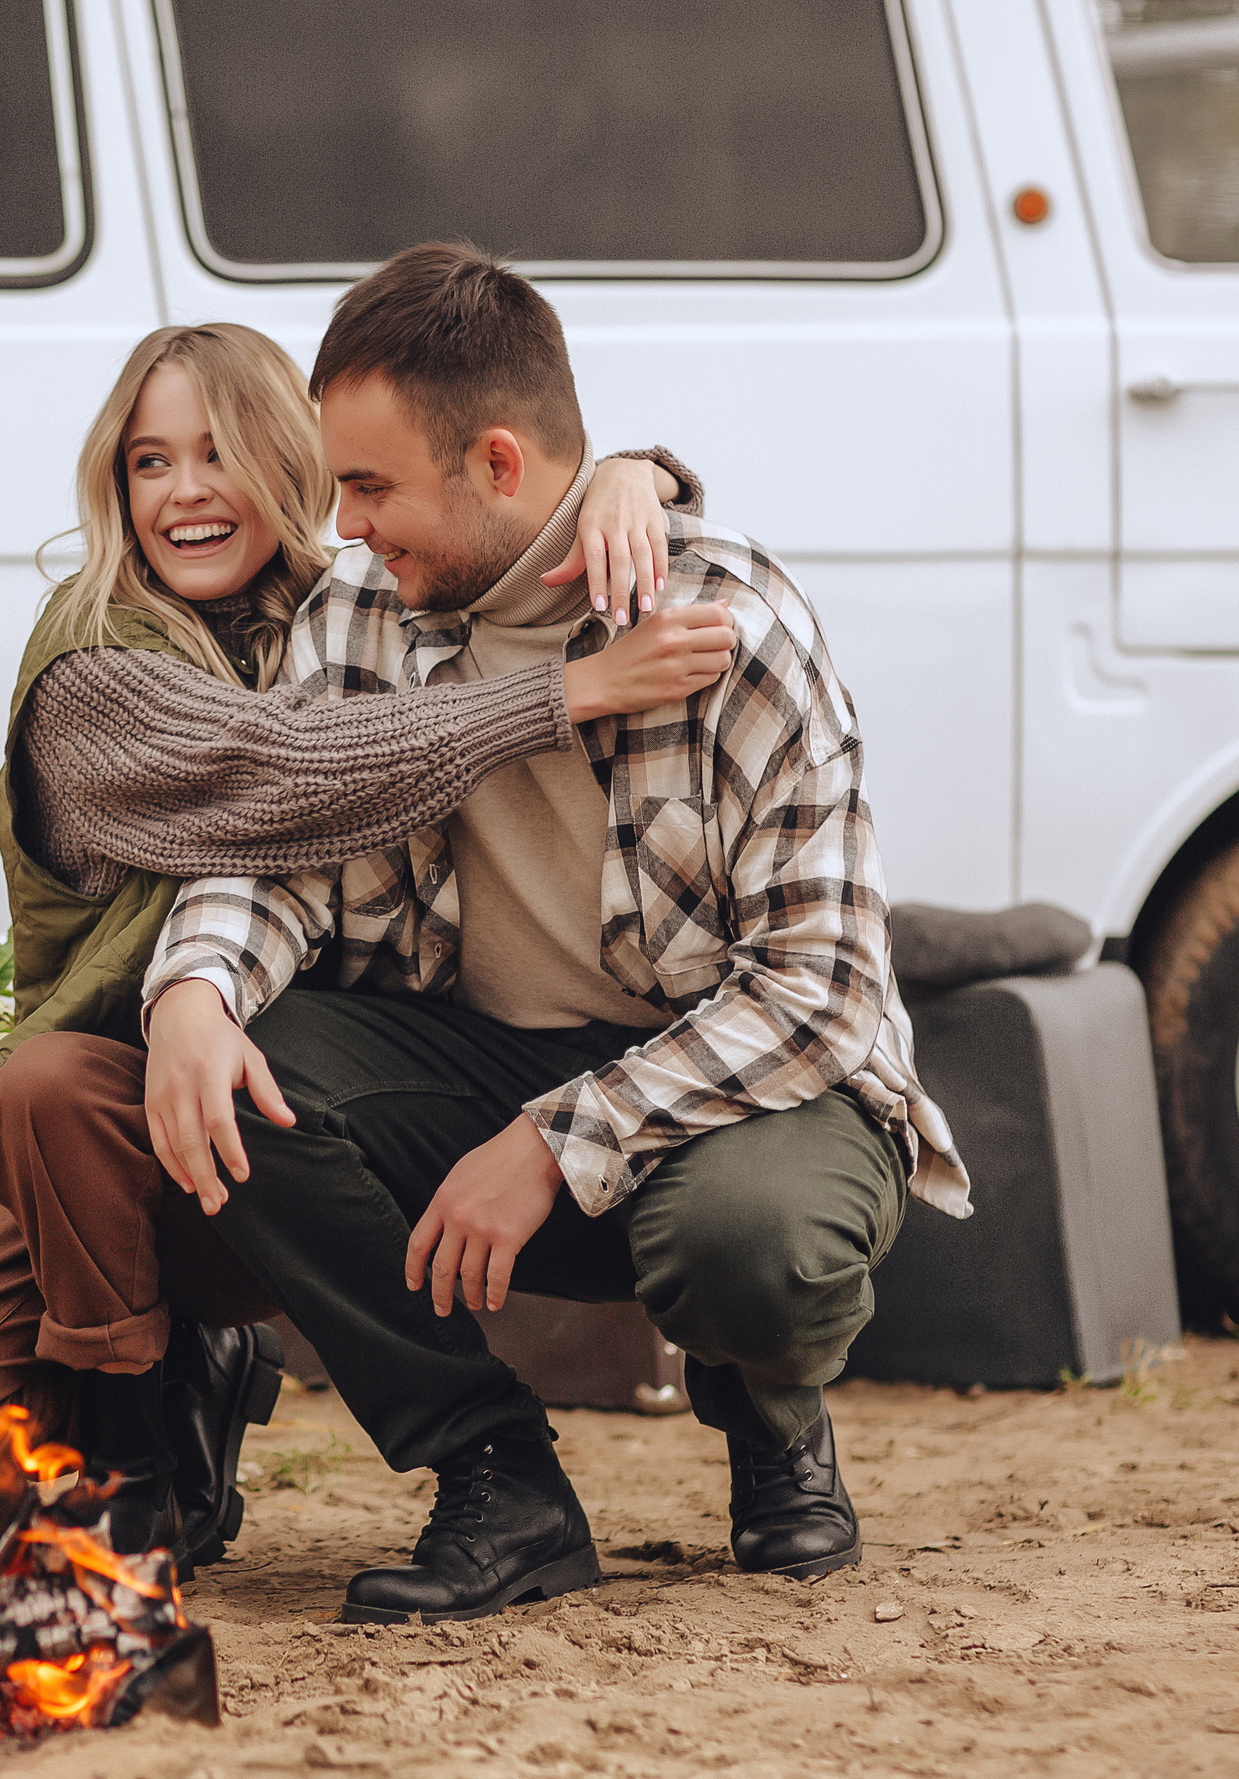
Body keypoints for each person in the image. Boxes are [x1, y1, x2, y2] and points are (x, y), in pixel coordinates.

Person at [123, 242, 974, 1621]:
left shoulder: (731, 625)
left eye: (372, 486)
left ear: (501, 466)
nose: (341, 526)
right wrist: (196, 989)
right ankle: (495, 1471)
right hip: (478, 1061)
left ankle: (767, 1400)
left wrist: (552, 1140)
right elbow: (281, 838)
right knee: (242, 1068)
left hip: (740, 1092)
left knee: (750, 1244)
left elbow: (817, 994)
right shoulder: (361, 614)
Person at [0, 318, 735, 1573]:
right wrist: (569, 693)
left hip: (292, 1119)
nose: (185, 491)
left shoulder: (343, 601)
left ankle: (157, 1433)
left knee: (247, 1103)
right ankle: (146, 1416)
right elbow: (295, 771)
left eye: (221, 451)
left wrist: (633, 475)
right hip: (101, 1142)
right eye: (148, 462)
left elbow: (491, 503)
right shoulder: (93, 671)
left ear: (300, 468)